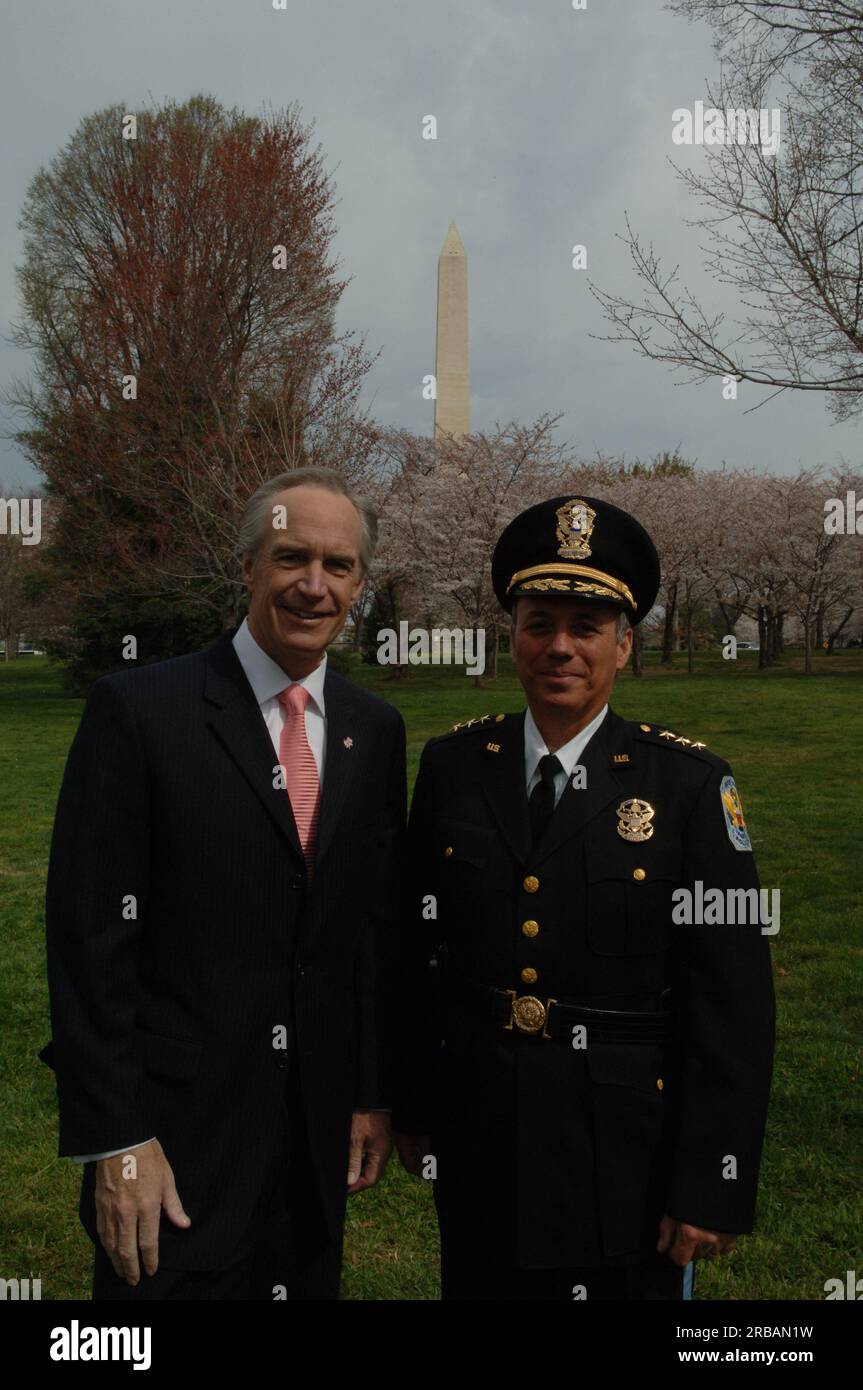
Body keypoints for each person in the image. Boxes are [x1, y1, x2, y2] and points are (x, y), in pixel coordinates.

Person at [393, 494, 775, 1301]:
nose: (558, 647)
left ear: (623, 645)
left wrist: (709, 1181)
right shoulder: (455, 768)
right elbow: (417, 950)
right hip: (482, 1139)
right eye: (538, 623)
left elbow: (732, 1005)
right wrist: (414, 1102)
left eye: (586, 627)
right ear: (513, 636)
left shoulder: (689, 788)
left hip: (625, 1153)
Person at [41, 466, 406, 1300]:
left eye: (338, 566)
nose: (313, 586)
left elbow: (370, 931)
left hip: (311, 1151)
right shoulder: (139, 711)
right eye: (290, 557)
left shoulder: (372, 730)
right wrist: (117, 1138)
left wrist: (370, 1095)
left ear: (360, 584)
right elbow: (89, 944)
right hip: (174, 1146)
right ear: (247, 566)